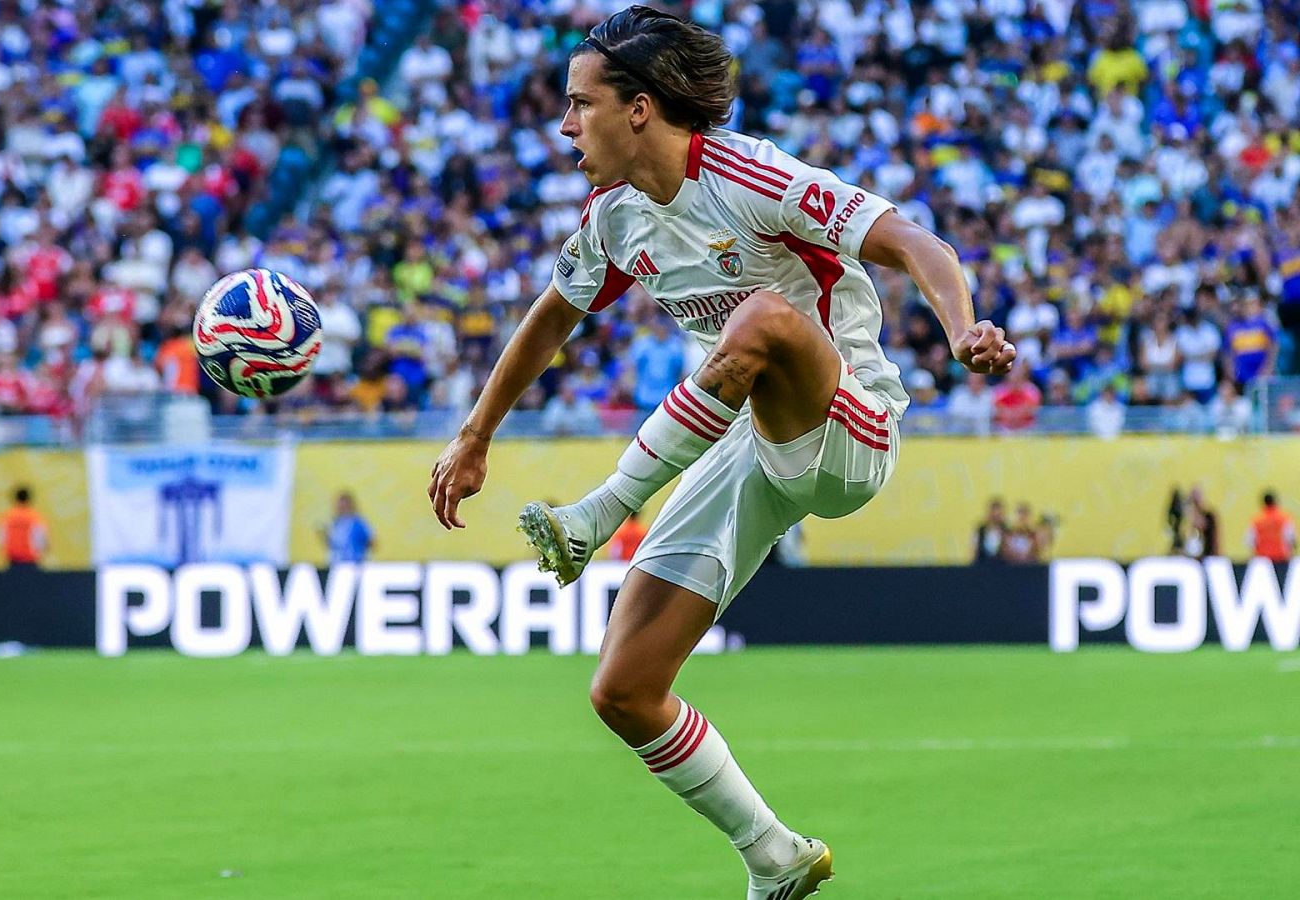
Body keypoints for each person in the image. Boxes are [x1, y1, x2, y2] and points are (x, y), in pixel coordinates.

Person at [426, 9, 1015, 897]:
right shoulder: (614, 219)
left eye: (580, 103)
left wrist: (962, 327)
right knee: (624, 689)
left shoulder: (750, 175)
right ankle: (773, 854)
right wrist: (475, 436)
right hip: (745, 443)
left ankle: (598, 515)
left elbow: (910, 240)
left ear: (639, 108)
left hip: (847, 424)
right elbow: (552, 315)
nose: (565, 125)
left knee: (763, 320)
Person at [0, 486, 47, 570]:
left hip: (12, 558)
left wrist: (6, 550)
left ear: (15, 498)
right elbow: (40, 538)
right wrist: (42, 550)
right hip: (31, 559)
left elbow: (0, 537)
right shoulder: (34, 516)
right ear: (29, 499)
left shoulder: (8, 516)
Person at [321, 491, 373, 565]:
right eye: (340, 506)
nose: (342, 508)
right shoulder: (335, 524)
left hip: (354, 564)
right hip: (336, 563)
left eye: (344, 506)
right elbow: (332, 544)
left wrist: (359, 547)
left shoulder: (358, 523)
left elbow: (371, 542)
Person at [1247, 491, 1296, 563]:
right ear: (1275, 502)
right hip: (1281, 557)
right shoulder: (1283, 518)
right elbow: (1291, 538)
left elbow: (1250, 541)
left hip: (1262, 558)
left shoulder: (1257, 520)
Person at [974, 497, 1008, 564]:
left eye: (998, 515)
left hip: (1002, 566)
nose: (995, 517)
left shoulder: (1007, 531)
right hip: (983, 565)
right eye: (993, 514)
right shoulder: (980, 531)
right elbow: (974, 551)